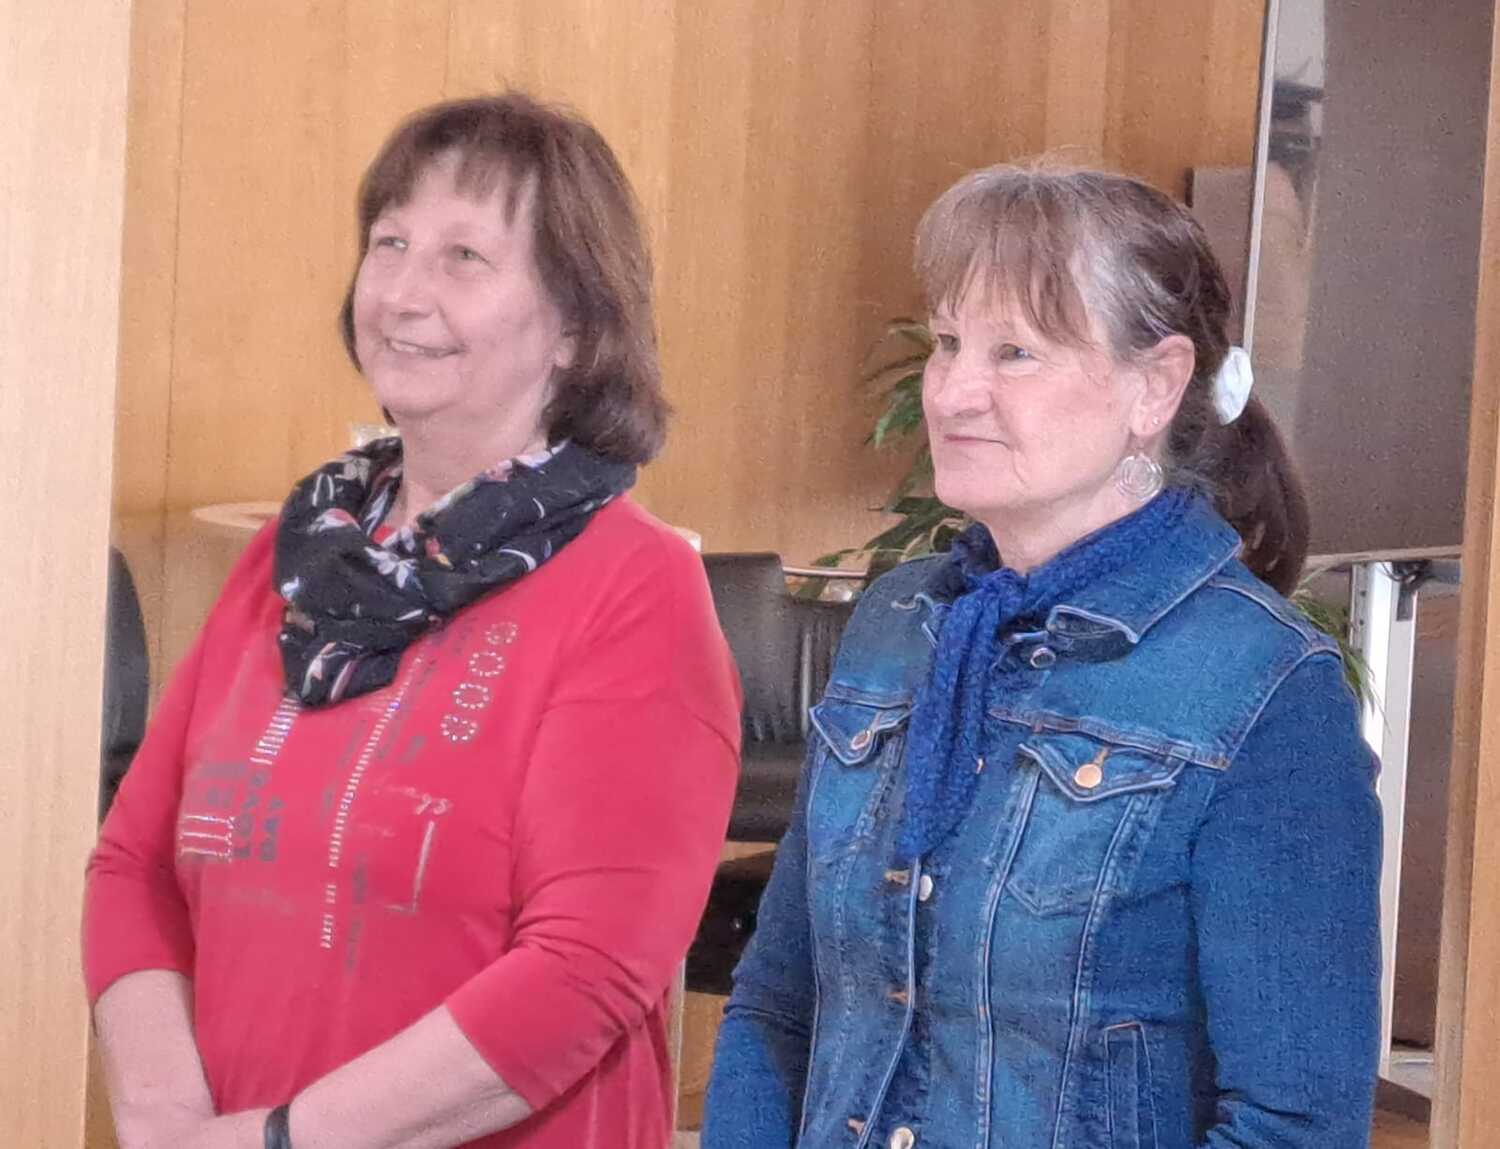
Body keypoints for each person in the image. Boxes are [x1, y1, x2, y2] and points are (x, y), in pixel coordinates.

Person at [84, 92, 741, 1149]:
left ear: (575, 327)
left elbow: (582, 973)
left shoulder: (636, 587)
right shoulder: (295, 556)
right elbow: (135, 863)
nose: (401, 293)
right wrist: (168, 1125)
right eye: (389, 243)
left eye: (464, 257)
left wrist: (280, 1141)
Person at [702, 165, 1381, 1148]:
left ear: (1155, 384)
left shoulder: (1265, 686)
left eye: (1014, 352)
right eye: (947, 342)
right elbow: (779, 1006)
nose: (953, 392)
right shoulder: (898, 623)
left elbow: (1294, 1124)